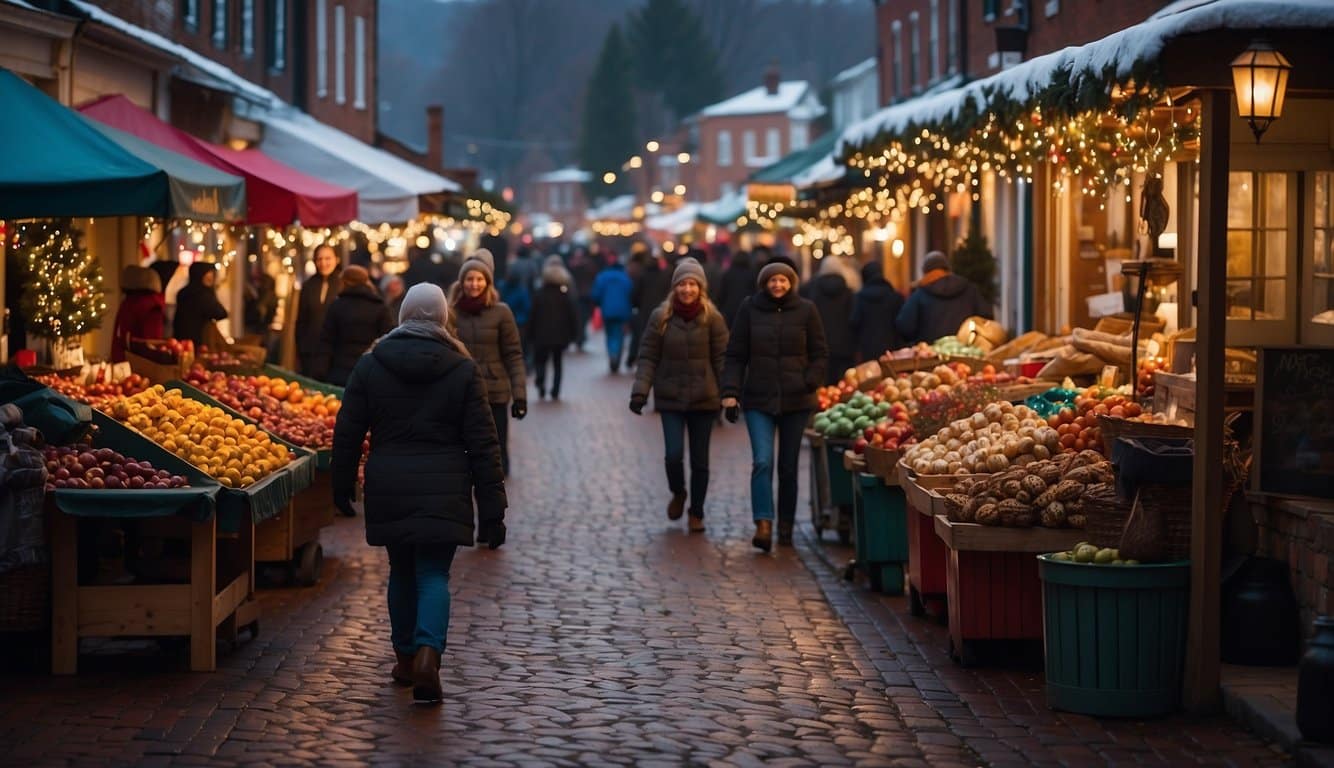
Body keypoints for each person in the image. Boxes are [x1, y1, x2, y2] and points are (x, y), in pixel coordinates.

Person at [331, 282, 507, 705]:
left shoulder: (371, 365)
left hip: (390, 482)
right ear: (444, 318)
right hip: (445, 484)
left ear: (402, 314)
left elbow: (348, 431)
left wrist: (340, 486)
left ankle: (406, 659)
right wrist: (493, 510)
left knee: (402, 571)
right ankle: (429, 653)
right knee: (432, 574)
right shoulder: (463, 369)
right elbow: (484, 443)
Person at [721, 261, 828, 552]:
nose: (777, 285)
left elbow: (819, 352)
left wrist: (811, 378)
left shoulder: (807, 310)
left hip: (797, 399)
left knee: (788, 467)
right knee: (763, 461)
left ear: (791, 282)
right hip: (758, 397)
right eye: (772, 281)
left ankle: (786, 526)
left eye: (782, 280)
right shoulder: (749, 309)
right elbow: (735, 354)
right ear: (764, 284)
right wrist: (730, 391)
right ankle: (764, 524)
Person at [629, 258, 729, 533]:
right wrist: (640, 391)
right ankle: (678, 492)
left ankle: (697, 511)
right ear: (674, 287)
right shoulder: (660, 316)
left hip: (704, 398)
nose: (687, 289)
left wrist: (730, 394)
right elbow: (648, 355)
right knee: (673, 455)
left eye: (692, 284)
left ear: (701, 288)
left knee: (700, 460)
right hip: (670, 396)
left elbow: (722, 359)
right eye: (682, 284)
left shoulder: (713, 318)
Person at [448, 255, 527, 475]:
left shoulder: (501, 312)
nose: (474, 284)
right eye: (470, 279)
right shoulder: (452, 313)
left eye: (479, 279)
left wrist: (519, 395)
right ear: (461, 282)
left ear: (488, 282)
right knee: (465, 444)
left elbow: (513, 355)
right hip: (462, 389)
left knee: (497, 445)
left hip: (495, 389)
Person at [317, 266, 395, 387]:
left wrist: (320, 372)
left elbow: (326, 341)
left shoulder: (337, 306)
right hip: (369, 371)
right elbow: (388, 340)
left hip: (339, 372)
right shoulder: (379, 307)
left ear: (345, 282)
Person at [895, 250, 993, 344]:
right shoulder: (969, 289)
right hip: (966, 352)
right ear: (947, 268)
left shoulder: (920, 294)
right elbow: (986, 318)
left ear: (925, 271)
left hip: (930, 355)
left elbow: (905, 327)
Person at [529, 258, 581, 400]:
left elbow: (532, 315)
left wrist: (530, 333)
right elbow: (573, 315)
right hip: (560, 335)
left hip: (542, 334)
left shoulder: (539, 294)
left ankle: (541, 384)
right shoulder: (565, 295)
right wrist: (574, 334)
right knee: (557, 363)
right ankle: (555, 390)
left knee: (541, 360)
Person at [801, 257, 857, 384]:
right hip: (844, 346)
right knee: (844, 384)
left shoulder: (812, 291)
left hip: (820, 344)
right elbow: (853, 319)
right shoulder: (848, 293)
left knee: (822, 385)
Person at [296, 245, 342, 376]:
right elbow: (301, 321)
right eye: (319, 259)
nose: (323, 263)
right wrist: (302, 349)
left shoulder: (343, 284)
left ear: (336, 259)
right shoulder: (308, 285)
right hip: (311, 353)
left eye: (328, 258)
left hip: (335, 354)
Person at [851, 261, 906, 362]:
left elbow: (855, 321)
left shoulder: (859, 298)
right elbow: (902, 323)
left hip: (867, 348)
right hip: (891, 348)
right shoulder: (895, 297)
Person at [110, 266, 165, 363]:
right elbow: (153, 342)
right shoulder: (153, 305)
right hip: (141, 364)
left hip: (123, 359)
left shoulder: (128, 302)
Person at [590, 254, 634, 373]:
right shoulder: (625, 278)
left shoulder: (602, 277)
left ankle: (612, 353)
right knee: (619, 335)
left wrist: (599, 304)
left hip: (607, 310)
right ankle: (616, 356)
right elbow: (632, 294)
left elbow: (596, 294)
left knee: (610, 334)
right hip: (623, 311)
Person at [628, 251, 673, 366]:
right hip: (660, 309)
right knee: (658, 336)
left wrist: (635, 306)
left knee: (643, 336)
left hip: (644, 310)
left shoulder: (642, 276)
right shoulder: (664, 276)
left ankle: (643, 359)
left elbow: (636, 294)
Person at [172, 262, 229, 348]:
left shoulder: (183, 292)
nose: (212, 279)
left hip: (180, 340)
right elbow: (221, 313)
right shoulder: (203, 295)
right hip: (199, 342)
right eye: (208, 277)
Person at [568, 247, 600, 351]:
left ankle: (580, 338)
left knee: (583, 319)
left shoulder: (588, 266)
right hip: (578, 296)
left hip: (585, 297)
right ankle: (579, 338)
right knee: (579, 319)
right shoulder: (573, 266)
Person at [717, 250, 753, 328]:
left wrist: (720, 308)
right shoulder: (751, 274)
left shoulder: (728, 274)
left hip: (729, 309)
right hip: (746, 309)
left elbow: (722, 293)